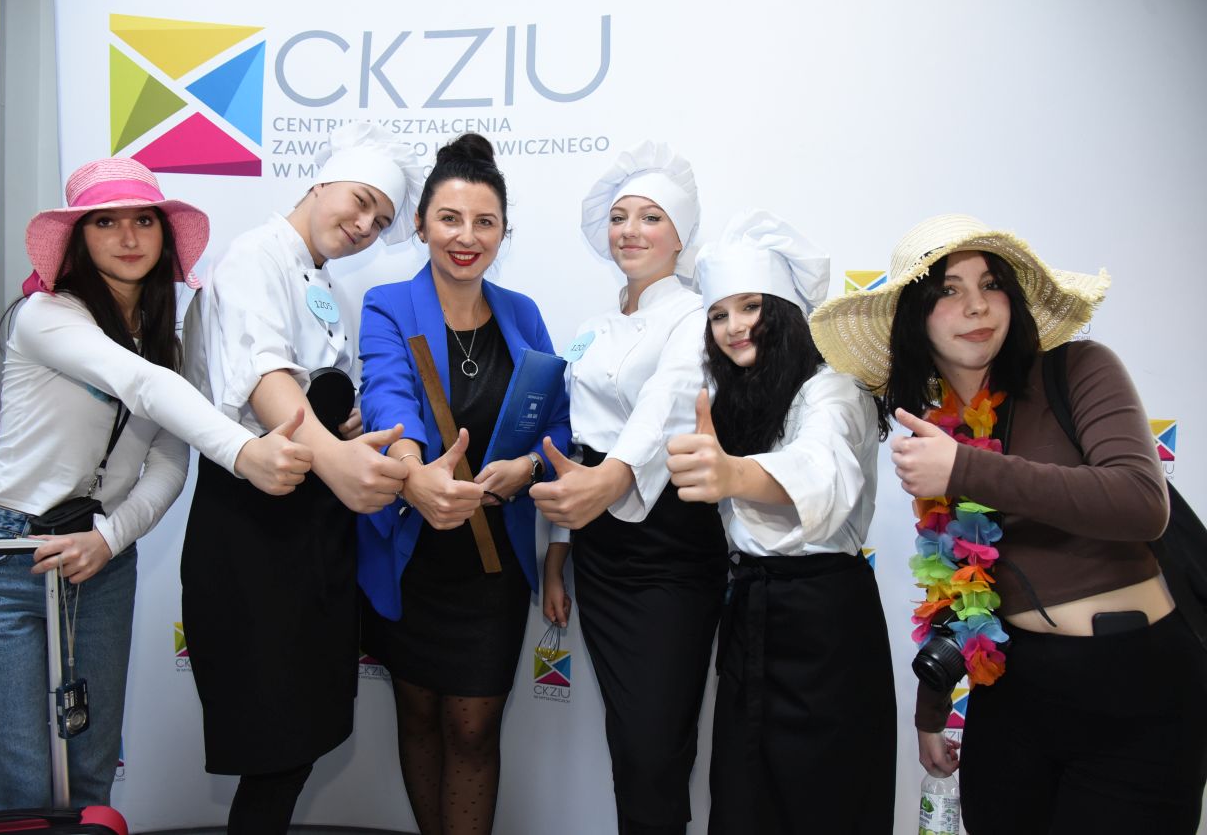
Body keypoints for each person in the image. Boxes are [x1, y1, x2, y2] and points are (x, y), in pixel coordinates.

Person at [0, 157, 310, 810]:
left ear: (164, 234)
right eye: (105, 222)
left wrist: (108, 539)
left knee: (89, 775)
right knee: (16, 790)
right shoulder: (46, 315)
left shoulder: (165, 337)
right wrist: (245, 453)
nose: (128, 237)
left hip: (98, 558)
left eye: (144, 220)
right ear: (79, 238)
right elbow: (142, 385)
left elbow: (168, 464)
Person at [809, 213, 1207, 833]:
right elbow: (960, 581)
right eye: (949, 290)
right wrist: (932, 711)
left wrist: (965, 468)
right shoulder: (938, 429)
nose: (976, 306)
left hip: (1135, 682)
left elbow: (1140, 502)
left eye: (990, 284)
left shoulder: (1078, 368)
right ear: (916, 318)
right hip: (1016, 690)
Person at [180, 122, 423, 835]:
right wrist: (335, 458)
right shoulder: (254, 256)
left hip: (309, 531)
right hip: (254, 528)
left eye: (381, 220)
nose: (365, 225)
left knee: (301, 733)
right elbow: (265, 379)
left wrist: (351, 435)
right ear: (321, 182)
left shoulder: (324, 284)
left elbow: (316, 394)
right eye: (361, 201)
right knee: (274, 737)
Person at [357, 133, 570, 835]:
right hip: (411, 553)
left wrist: (529, 468)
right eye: (449, 218)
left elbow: (556, 425)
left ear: (503, 232)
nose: (466, 237)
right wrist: (414, 470)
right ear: (421, 224)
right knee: (418, 716)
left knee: (474, 729)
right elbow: (386, 395)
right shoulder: (389, 304)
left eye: (485, 221)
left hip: (492, 562)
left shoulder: (523, 314)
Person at [665, 210, 896, 834]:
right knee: (744, 798)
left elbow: (822, 472)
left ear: (788, 313)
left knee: (826, 800)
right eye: (719, 314)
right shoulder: (737, 397)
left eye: (750, 307)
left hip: (826, 622)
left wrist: (732, 474)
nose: (734, 327)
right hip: (751, 611)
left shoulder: (833, 389)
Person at [532, 141, 726, 835]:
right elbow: (575, 445)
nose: (630, 231)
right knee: (629, 735)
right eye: (619, 217)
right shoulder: (593, 328)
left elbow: (668, 403)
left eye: (650, 217)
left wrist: (612, 477)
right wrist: (558, 551)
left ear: (680, 235)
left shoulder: (699, 315)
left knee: (654, 741)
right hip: (600, 550)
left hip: (670, 543)